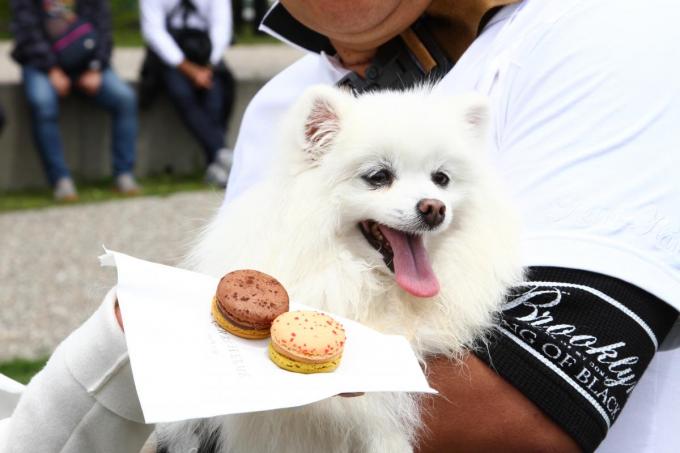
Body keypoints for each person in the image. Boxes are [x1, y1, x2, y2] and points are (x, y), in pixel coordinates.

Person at [4, 0, 680, 452]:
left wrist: (198, 364)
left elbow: (530, 411)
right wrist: (132, 350)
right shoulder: (285, 103)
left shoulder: (615, 28)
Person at [10, 0, 141, 201]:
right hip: (41, 65)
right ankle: (61, 180)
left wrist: (95, 67)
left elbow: (104, 30)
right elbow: (27, 34)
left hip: (86, 62)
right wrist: (51, 69)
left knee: (125, 98)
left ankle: (124, 174)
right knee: (42, 103)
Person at [140, 0, 235, 187]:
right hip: (170, 55)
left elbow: (221, 26)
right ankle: (223, 154)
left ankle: (216, 164)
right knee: (181, 93)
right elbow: (154, 32)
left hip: (204, 51)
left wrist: (208, 65)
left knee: (216, 97)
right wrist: (187, 68)